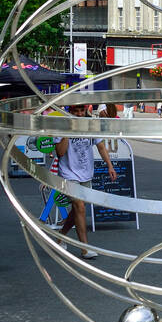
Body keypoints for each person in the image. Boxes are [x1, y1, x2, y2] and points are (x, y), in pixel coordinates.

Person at [52, 103, 117, 260]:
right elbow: (60, 152)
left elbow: (101, 147)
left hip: (86, 173)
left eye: (82, 110)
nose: (80, 114)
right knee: (79, 206)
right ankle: (85, 248)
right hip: (68, 173)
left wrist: (110, 166)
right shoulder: (61, 127)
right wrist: (69, 129)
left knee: (77, 210)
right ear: (70, 112)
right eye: (76, 111)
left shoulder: (90, 125)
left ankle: (61, 236)